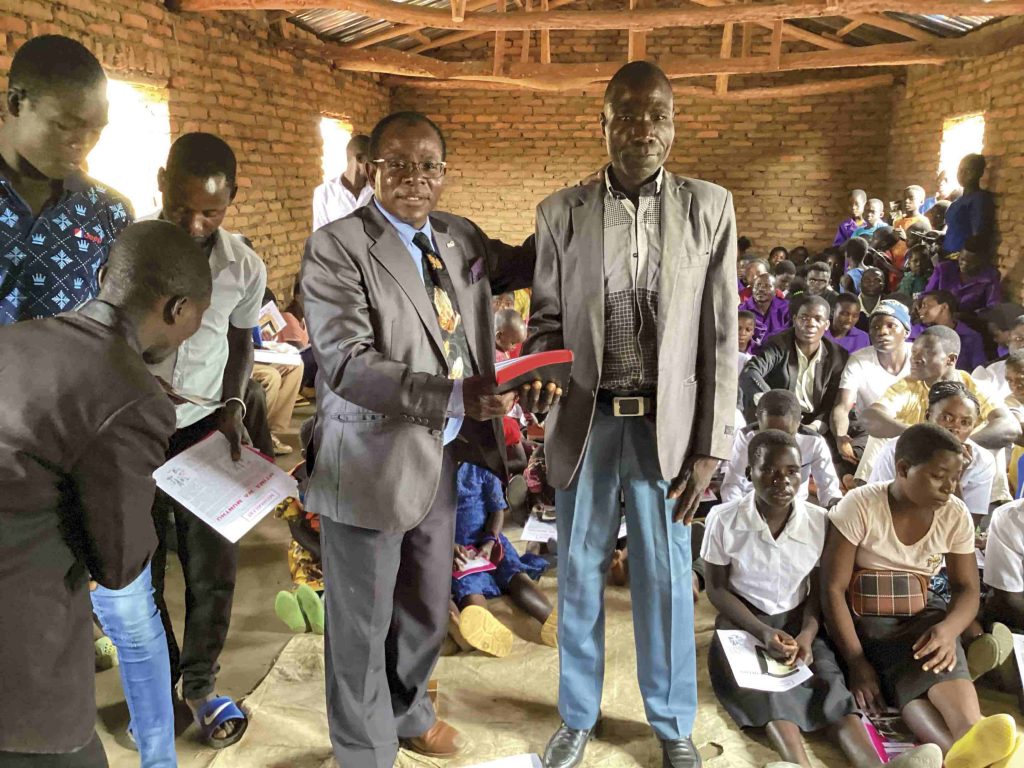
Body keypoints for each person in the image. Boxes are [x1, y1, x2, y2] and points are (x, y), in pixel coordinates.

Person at [302, 111, 537, 768]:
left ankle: (407, 710)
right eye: (396, 164)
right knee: (361, 621)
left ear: (444, 172)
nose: (413, 177)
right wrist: (453, 396)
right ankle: (364, 750)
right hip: (370, 458)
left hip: (442, 457)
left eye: (427, 164)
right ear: (371, 169)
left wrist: (586, 211)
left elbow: (524, 261)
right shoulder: (338, 248)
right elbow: (346, 363)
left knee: (425, 605)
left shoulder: (458, 237)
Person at [525, 61, 737, 768]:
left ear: (674, 125)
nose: (643, 130)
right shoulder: (562, 212)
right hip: (588, 420)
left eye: (658, 117)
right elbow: (547, 321)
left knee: (666, 576)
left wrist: (711, 444)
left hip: (666, 431)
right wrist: (539, 374)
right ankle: (578, 716)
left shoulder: (710, 208)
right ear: (604, 123)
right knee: (578, 571)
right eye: (628, 115)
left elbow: (722, 336)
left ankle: (672, 721)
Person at [0, 221, 211, 767]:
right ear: (179, 309)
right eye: (196, 319)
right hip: (23, 642)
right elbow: (118, 563)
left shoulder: (19, 337)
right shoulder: (131, 395)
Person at [704, 430, 942, 768]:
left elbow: (819, 588)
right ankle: (796, 762)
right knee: (770, 690)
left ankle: (876, 766)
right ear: (748, 474)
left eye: (791, 471)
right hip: (743, 622)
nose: (782, 480)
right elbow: (717, 588)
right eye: (769, 470)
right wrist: (762, 632)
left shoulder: (819, 521)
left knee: (830, 684)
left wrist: (807, 634)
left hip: (800, 619)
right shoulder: (723, 520)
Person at [143, 133, 268, 748]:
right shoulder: (128, 251)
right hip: (131, 431)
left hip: (204, 429)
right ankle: (159, 676)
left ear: (232, 200)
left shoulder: (244, 264)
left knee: (212, 567)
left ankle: (200, 683)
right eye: (180, 207)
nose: (194, 223)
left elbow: (242, 343)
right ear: (161, 183)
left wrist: (234, 404)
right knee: (138, 565)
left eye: (210, 212)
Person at [822, 423, 1023, 767]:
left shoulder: (954, 513)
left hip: (921, 612)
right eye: (938, 475)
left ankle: (969, 735)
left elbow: (966, 589)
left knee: (939, 654)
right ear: (902, 469)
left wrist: (949, 631)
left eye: (956, 476)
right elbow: (832, 589)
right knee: (905, 676)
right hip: (867, 622)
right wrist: (856, 661)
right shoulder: (861, 505)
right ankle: (961, 750)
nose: (950, 487)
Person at [0, 35, 132, 326]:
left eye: (96, 130)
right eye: (65, 126)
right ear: (15, 103)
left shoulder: (108, 212)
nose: (82, 144)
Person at [450, 463, 555, 656]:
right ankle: (480, 625)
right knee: (468, 584)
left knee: (515, 574)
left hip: (489, 540)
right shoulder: (434, 470)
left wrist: (490, 541)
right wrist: (449, 546)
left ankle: (550, 618)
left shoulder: (482, 466)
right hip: (457, 548)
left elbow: (497, 511)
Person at [861, 326, 1019, 452]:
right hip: (919, 459)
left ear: (950, 359)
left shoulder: (973, 387)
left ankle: (996, 494)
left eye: (926, 353)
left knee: (992, 449)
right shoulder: (908, 385)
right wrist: (925, 436)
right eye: (914, 352)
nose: (915, 359)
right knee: (878, 437)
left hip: (964, 460)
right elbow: (871, 417)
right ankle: (867, 489)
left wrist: (957, 446)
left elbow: (1009, 427)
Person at [869, 382, 995, 517]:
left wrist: (956, 477)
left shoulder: (982, 461)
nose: (954, 428)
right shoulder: (895, 450)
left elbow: (969, 524)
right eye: (946, 418)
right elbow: (878, 507)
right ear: (928, 416)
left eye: (965, 422)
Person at [740, 295, 848, 430]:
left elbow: (832, 402)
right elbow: (750, 372)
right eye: (804, 318)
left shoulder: (837, 356)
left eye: (818, 319)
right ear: (795, 320)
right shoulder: (778, 344)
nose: (810, 323)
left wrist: (814, 428)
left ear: (826, 325)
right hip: (776, 418)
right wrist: (773, 404)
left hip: (813, 424)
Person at [720, 390, 842, 508]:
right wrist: (738, 515)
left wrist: (834, 508)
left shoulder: (814, 442)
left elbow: (829, 490)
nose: (778, 443)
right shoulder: (746, 437)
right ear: (758, 419)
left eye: (787, 435)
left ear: (799, 421)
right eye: (769, 434)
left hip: (796, 509)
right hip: (752, 505)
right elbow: (732, 485)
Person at [832, 301, 913, 470]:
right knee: (852, 455)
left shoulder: (918, 357)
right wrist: (841, 436)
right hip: (871, 432)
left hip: (914, 428)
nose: (882, 332)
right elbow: (842, 407)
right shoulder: (859, 360)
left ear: (906, 332)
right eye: (875, 328)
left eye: (891, 326)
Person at [923, 235, 1002, 315]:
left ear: (982, 262)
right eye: (962, 259)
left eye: (971, 262)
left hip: (969, 321)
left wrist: (970, 316)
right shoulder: (943, 269)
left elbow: (993, 307)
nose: (964, 264)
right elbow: (927, 294)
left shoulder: (989, 277)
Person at [911, 291, 986, 372]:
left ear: (944, 307)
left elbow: (978, 370)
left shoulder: (971, 337)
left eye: (925, 306)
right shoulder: (917, 333)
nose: (920, 311)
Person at [312, 133, 373, 231]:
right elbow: (321, 237)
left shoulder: (377, 191)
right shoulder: (324, 193)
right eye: (372, 161)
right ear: (360, 159)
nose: (376, 167)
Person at [944, 154, 995, 255]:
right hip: (948, 255)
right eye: (960, 170)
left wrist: (964, 258)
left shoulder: (979, 199)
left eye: (968, 171)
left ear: (980, 173)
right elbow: (953, 230)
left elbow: (978, 237)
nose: (962, 174)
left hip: (963, 260)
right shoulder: (957, 202)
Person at [739, 272, 789, 354]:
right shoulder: (742, 310)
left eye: (767, 286)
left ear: (775, 290)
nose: (761, 289)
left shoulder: (785, 308)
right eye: (758, 285)